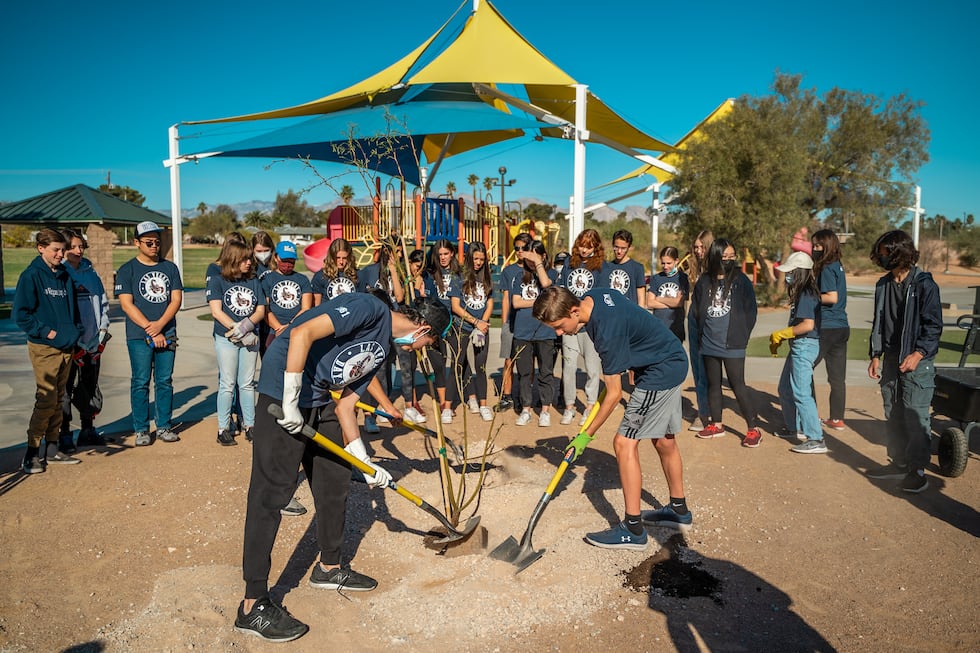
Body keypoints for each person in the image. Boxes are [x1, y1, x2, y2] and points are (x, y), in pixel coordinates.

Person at [236, 293, 450, 642]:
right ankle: (252, 603)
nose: (423, 348)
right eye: (429, 342)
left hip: (319, 399)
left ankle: (329, 568)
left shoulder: (382, 348)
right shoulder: (369, 309)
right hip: (282, 393)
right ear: (423, 329)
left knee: (334, 481)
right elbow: (302, 332)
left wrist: (364, 463)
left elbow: (347, 406)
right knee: (270, 494)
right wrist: (290, 402)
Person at [533, 286, 691, 549]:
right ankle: (678, 509)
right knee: (663, 440)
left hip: (660, 371)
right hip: (667, 359)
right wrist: (631, 360)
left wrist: (585, 435)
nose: (559, 334)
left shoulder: (606, 330)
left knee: (623, 443)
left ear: (574, 310)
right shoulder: (596, 296)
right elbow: (632, 318)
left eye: (559, 326)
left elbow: (614, 394)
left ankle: (633, 529)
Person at [865, 230, 942, 494]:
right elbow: (878, 323)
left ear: (900, 252)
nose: (882, 258)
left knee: (915, 415)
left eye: (886, 253)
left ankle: (917, 471)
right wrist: (875, 354)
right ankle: (898, 463)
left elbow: (933, 327)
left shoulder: (924, 285)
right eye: (881, 253)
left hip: (917, 362)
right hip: (890, 360)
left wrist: (918, 354)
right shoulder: (882, 284)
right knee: (893, 412)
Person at [14, 228, 83, 473]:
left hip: (66, 346)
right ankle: (31, 453)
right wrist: (49, 333)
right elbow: (21, 314)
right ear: (41, 248)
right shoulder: (31, 275)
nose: (61, 254)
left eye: (63, 250)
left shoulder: (64, 274)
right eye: (56, 250)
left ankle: (52, 449)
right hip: (45, 348)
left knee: (59, 400)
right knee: (46, 399)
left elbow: (72, 309)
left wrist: (74, 333)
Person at [115, 221, 183, 447]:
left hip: (167, 332)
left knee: (164, 381)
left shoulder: (170, 268)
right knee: (140, 382)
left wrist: (160, 326)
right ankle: (142, 429)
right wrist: (150, 328)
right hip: (138, 335)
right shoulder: (127, 270)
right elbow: (127, 304)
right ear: (137, 243)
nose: (154, 246)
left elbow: (175, 300)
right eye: (149, 242)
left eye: (157, 241)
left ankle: (163, 426)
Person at [689, 238, 760, 444]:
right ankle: (716, 424)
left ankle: (753, 429)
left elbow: (751, 311)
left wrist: (742, 334)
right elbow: (696, 309)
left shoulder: (741, 280)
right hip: (709, 342)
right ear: (715, 257)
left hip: (733, 343)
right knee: (713, 385)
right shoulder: (704, 280)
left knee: (738, 385)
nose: (728, 261)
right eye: (724, 257)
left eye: (732, 257)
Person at [208, 238, 267, 445]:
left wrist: (246, 327)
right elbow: (216, 311)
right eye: (244, 259)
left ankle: (250, 425)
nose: (249, 263)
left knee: (247, 383)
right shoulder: (218, 280)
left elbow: (260, 310)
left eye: (249, 259)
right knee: (227, 383)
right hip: (227, 339)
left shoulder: (253, 281)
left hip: (250, 338)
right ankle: (223, 428)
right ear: (233, 259)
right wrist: (237, 329)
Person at [59, 228, 111, 451]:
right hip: (71, 345)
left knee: (89, 388)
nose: (79, 250)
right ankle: (64, 435)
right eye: (74, 247)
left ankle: (87, 429)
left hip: (92, 342)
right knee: (66, 390)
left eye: (81, 246)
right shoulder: (60, 274)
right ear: (64, 249)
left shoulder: (90, 271)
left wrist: (102, 329)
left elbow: (103, 302)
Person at [769, 252, 824, 453]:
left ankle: (816, 438)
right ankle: (795, 427)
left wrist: (784, 333)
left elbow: (807, 325)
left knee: (801, 392)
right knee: (785, 388)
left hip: (805, 345)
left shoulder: (807, 293)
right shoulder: (802, 292)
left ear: (800, 272)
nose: (788, 276)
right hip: (799, 345)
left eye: (791, 272)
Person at [557, 228, 609, 426]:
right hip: (569, 323)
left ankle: (589, 406)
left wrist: (584, 320)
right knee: (568, 366)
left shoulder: (601, 268)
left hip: (590, 325)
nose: (584, 250)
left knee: (592, 368)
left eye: (588, 246)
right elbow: (562, 291)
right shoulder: (570, 264)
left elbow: (600, 297)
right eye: (581, 245)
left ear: (596, 246)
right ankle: (569, 406)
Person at [357, 243, 405, 433]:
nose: (398, 255)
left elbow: (399, 298)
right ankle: (370, 416)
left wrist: (393, 270)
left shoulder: (399, 272)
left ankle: (383, 406)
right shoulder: (368, 271)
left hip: (391, 326)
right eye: (396, 252)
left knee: (387, 370)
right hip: (371, 326)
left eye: (400, 252)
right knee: (372, 369)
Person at [510, 240, 557, 427]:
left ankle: (545, 409)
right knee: (524, 372)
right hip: (523, 332)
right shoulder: (518, 276)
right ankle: (526, 409)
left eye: (535, 256)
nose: (530, 260)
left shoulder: (551, 274)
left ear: (543, 256)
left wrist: (538, 264)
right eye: (528, 256)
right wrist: (540, 301)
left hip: (545, 331)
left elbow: (548, 288)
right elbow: (516, 303)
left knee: (546, 372)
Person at [449, 242, 495, 422]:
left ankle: (484, 404)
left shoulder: (486, 277)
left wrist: (482, 323)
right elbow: (455, 306)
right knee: (458, 363)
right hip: (463, 326)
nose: (478, 262)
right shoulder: (458, 277)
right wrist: (474, 322)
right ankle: (450, 405)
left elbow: (489, 302)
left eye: (482, 260)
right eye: (475, 259)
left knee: (481, 365)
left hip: (482, 327)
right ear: (469, 258)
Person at [810, 229, 849, 430]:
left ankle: (810, 415)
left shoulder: (826, 268)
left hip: (827, 326)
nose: (814, 249)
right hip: (842, 327)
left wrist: (807, 297)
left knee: (804, 369)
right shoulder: (838, 266)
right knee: (837, 378)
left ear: (828, 246)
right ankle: (836, 419)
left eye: (818, 245)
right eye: (813, 245)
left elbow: (831, 297)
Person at [422, 239, 462, 424]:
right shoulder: (429, 274)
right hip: (435, 324)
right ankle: (442, 402)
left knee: (455, 363)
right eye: (440, 255)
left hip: (455, 322)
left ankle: (449, 404)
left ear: (452, 253)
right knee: (438, 364)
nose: (443, 258)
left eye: (446, 254)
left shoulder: (459, 273)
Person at [495, 234, 532, 413]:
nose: (519, 252)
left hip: (529, 324)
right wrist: (504, 323)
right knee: (509, 361)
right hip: (511, 322)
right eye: (516, 248)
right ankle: (506, 396)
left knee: (528, 363)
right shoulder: (508, 271)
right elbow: (505, 299)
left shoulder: (534, 270)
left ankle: (527, 396)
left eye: (523, 248)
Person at [261, 240, 313, 348]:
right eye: (284, 260)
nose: (288, 264)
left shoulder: (302, 279)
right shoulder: (267, 279)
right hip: (274, 330)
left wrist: (289, 326)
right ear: (276, 258)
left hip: (297, 328)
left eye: (291, 261)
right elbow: (265, 309)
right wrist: (278, 328)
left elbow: (306, 308)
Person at [686, 230, 713, 432]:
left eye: (702, 246)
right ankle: (703, 411)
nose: (698, 250)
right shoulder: (693, 268)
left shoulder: (716, 268)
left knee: (708, 367)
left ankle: (708, 411)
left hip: (711, 321)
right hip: (693, 319)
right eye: (696, 247)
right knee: (696, 366)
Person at [398, 249, 428, 424]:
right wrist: (415, 287)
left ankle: (413, 399)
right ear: (410, 263)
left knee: (413, 365)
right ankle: (409, 403)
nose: (419, 270)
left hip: (415, 327)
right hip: (402, 327)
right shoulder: (404, 277)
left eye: (421, 267)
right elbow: (405, 301)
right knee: (405, 367)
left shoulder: (421, 279)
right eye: (417, 266)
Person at [647, 246, 689, 342]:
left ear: (676, 261)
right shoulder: (656, 278)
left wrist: (659, 299)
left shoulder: (682, 278)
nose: (665, 267)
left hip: (676, 328)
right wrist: (671, 302)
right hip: (659, 328)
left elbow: (679, 303)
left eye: (669, 263)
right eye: (663, 263)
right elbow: (650, 303)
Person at [251, 231, 278, 357]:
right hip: (258, 316)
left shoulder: (277, 264)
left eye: (266, 250)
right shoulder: (251, 266)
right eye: (259, 251)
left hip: (275, 315)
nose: (263, 254)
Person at [606, 229, 647, 306]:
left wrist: (640, 316)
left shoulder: (637, 268)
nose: (619, 251)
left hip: (630, 313)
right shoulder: (606, 267)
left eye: (623, 248)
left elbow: (641, 297)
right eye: (616, 247)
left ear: (629, 247)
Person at [312, 237, 357, 306]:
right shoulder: (320, 276)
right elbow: (316, 307)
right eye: (338, 258)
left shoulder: (357, 275)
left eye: (344, 258)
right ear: (331, 257)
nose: (341, 262)